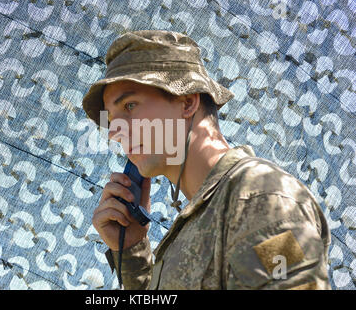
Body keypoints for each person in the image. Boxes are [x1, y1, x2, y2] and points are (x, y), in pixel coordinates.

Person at [82, 30, 331, 290]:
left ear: (187, 102)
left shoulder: (261, 198)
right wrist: (132, 250)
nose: (114, 131)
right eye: (111, 120)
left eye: (130, 106)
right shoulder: (200, 220)